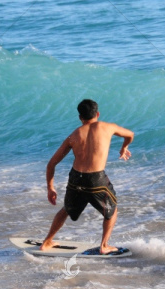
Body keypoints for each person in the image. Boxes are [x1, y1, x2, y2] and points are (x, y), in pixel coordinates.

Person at [41, 99, 134, 254]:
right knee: (112, 210)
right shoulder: (108, 127)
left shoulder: (74, 136)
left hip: (76, 179)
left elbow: (51, 164)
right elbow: (130, 134)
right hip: (96, 180)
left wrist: (50, 188)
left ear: (80, 117)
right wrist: (124, 148)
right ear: (97, 114)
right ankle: (104, 246)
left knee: (66, 209)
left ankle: (46, 242)